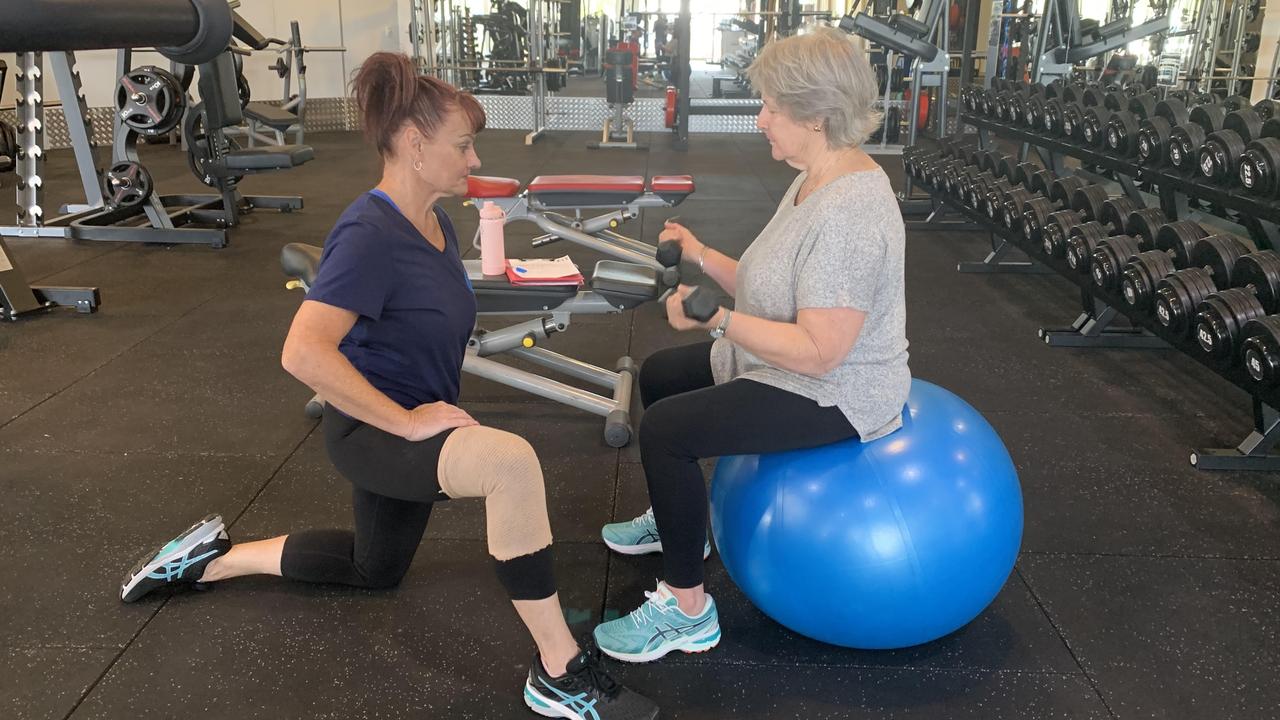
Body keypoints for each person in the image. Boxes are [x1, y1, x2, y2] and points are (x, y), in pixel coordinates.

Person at [118, 52, 658, 720]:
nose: (472, 159)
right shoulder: (369, 233)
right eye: (462, 145)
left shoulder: (435, 221)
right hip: (376, 430)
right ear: (411, 144)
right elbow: (301, 352)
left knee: (376, 569)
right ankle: (558, 669)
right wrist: (406, 423)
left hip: (411, 418)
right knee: (509, 464)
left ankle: (210, 561)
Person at [593, 27, 910, 662]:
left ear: (817, 115)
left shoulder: (850, 210)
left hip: (834, 390)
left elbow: (822, 351)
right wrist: (702, 255)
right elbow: (771, 284)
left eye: (771, 106)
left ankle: (688, 611)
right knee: (658, 377)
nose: (759, 118)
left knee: (666, 432)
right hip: (788, 360)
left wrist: (717, 323)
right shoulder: (813, 176)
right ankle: (680, 523)